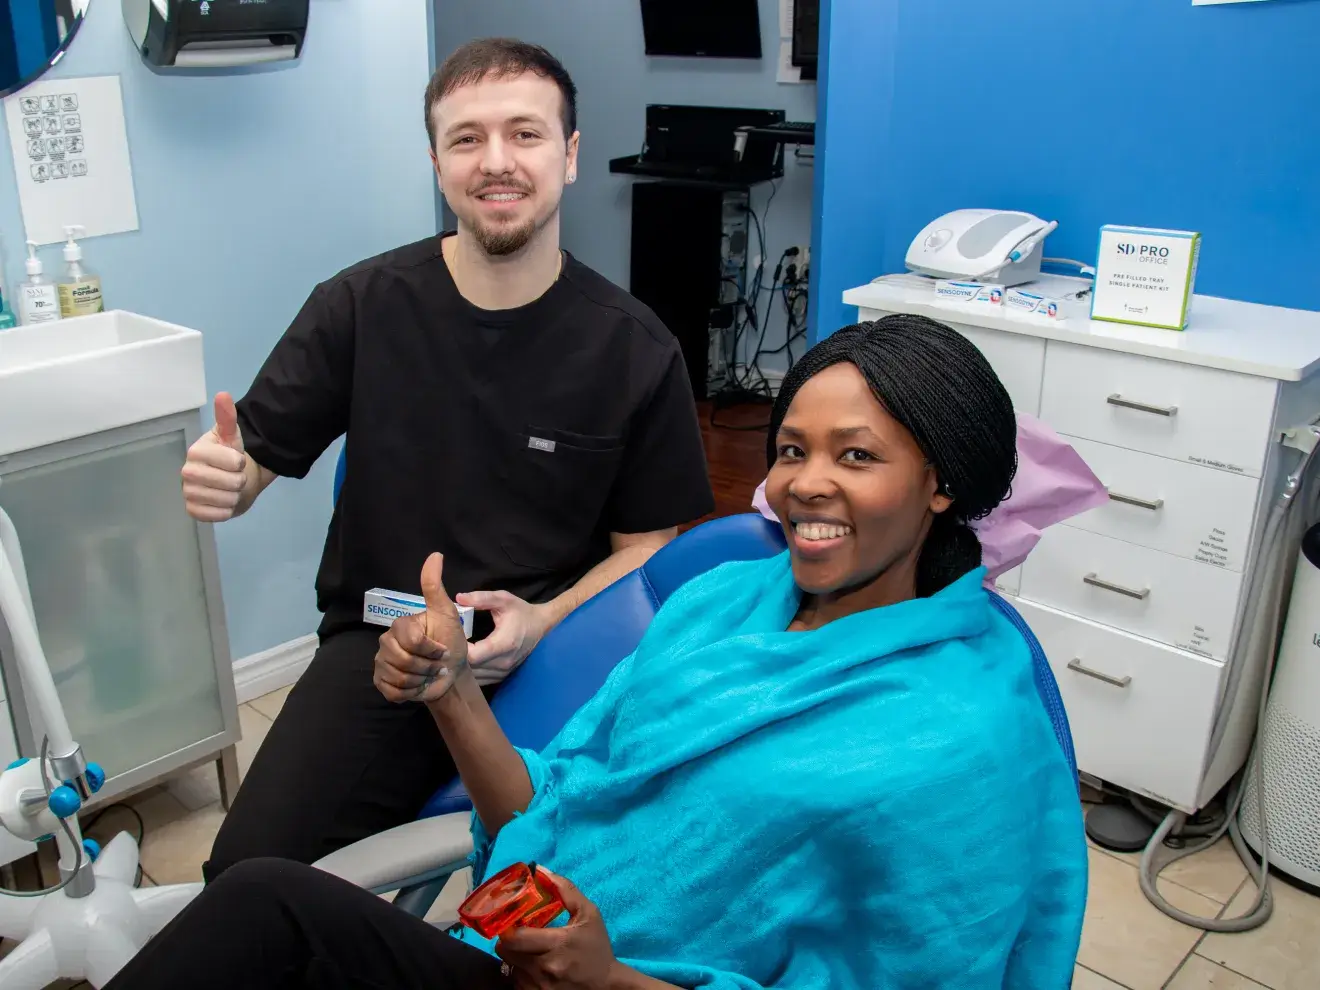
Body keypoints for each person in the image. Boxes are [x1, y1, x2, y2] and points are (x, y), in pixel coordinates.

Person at [119, 315, 1087, 989]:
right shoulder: (722, 604)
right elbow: (560, 801)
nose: (806, 486)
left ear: (942, 485)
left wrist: (615, 982)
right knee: (264, 907)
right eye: (791, 451)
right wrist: (454, 690)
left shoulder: (968, 738)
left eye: (858, 456)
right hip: (537, 961)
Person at [180, 38, 715, 881]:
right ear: (437, 163)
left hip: (549, 655)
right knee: (247, 875)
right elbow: (251, 459)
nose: (496, 162)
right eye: (467, 139)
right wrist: (230, 479)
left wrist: (541, 620)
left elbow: (646, 549)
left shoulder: (635, 350)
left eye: (525, 134)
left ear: (570, 155)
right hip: (387, 647)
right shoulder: (361, 306)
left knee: (605, 887)